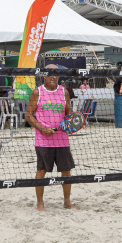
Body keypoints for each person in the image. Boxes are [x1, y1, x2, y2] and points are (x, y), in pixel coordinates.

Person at [26, 75, 76, 211]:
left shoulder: (64, 91)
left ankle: (67, 202)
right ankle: (40, 203)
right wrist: (43, 128)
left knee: (66, 171)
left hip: (62, 139)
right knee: (41, 171)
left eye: (56, 75)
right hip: (43, 140)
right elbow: (29, 115)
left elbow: (68, 114)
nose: (53, 77)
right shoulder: (38, 92)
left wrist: (70, 125)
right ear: (44, 76)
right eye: (50, 74)